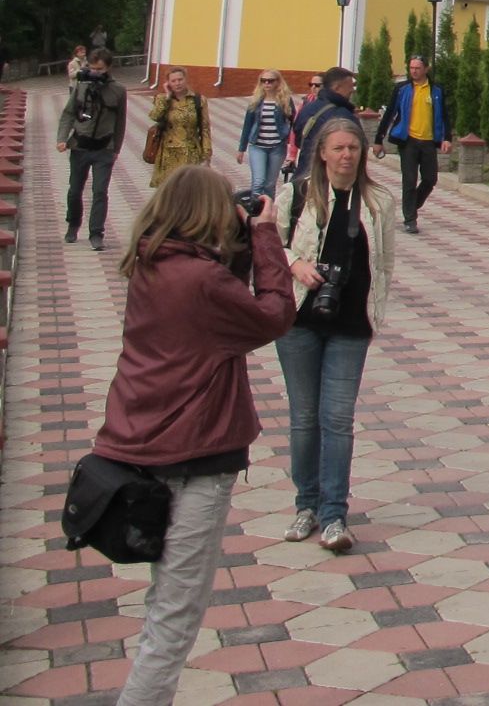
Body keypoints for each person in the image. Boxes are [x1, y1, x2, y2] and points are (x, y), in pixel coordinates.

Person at [95, 166, 295, 706]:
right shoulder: (202, 280)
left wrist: (238, 243)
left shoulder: (151, 262)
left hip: (141, 440)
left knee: (165, 597)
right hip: (196, 452)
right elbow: (274, 315)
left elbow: (212, 288)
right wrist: (265, 235)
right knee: (177, 612)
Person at [279, 117, 396, 552]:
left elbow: (384, 264)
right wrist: (296, 264)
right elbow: (268, 243)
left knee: (338, 420)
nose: (347, 155)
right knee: (304, 419)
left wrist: (374, 315)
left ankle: (334, 514)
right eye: (339, 148)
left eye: (354, 148)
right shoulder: (297, 194)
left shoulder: (378, 200)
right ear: (323, 153)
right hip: (299, 321)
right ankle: (305, 505)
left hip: (350, 325)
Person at [56, 45, 130, 249]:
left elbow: (120, 122)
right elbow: (69, 113)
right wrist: (62, 138)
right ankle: (73, 224)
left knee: (100, 191)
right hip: (80, 146)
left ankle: (96, 233)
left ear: (109, 68)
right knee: (75, 190)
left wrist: (116, 149)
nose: (95, 72)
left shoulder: (118, 91)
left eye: (100, 69)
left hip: (104, 148)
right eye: (92, 68)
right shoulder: (82, 86)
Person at [373, 53, 449, 233]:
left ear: (426, 69)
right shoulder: (402, 89)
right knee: (409, 180)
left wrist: (447, 138)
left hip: (429, 141)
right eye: (411, 68)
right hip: (408, 141)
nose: (414, 71)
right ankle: (410, 219)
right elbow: (390, 114)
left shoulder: (436, 90)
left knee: (430, 179)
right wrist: (378, 139)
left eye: (417, 68)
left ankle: (412, 205)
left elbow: (445, 115)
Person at [290, 65, 364, 182]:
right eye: (350, 86)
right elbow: (359, 144)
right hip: (331, 178)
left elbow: (299, 140)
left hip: (303, 174)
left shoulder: (307, 109)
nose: (352, 90)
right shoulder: (344, 115)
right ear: (337, 88)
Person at [146, 68, 212, 186]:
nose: (177, 83)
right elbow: (155, 116)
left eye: (180, 79)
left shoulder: (198, 100)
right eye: (173, 81)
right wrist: (167, 97)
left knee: (190, 190)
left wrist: (206, 156)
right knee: (170, 191)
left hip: (191, 152)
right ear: (168, 83)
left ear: (186, 79)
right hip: (168, 154)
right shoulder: (162, 99)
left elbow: (205, 128)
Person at [237, 71, 294, 199]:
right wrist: (241, 149)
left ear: (278, 82)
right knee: (258, 181)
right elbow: (247, 125)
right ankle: (254, 210)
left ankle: (267, 211)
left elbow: (293, 122)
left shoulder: (285, 100)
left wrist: (292, 148)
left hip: (277, 147)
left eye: (270, 80)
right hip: (258, 146)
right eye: (263, 80)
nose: (267, 83)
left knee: (269, 184)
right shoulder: (256, 101)